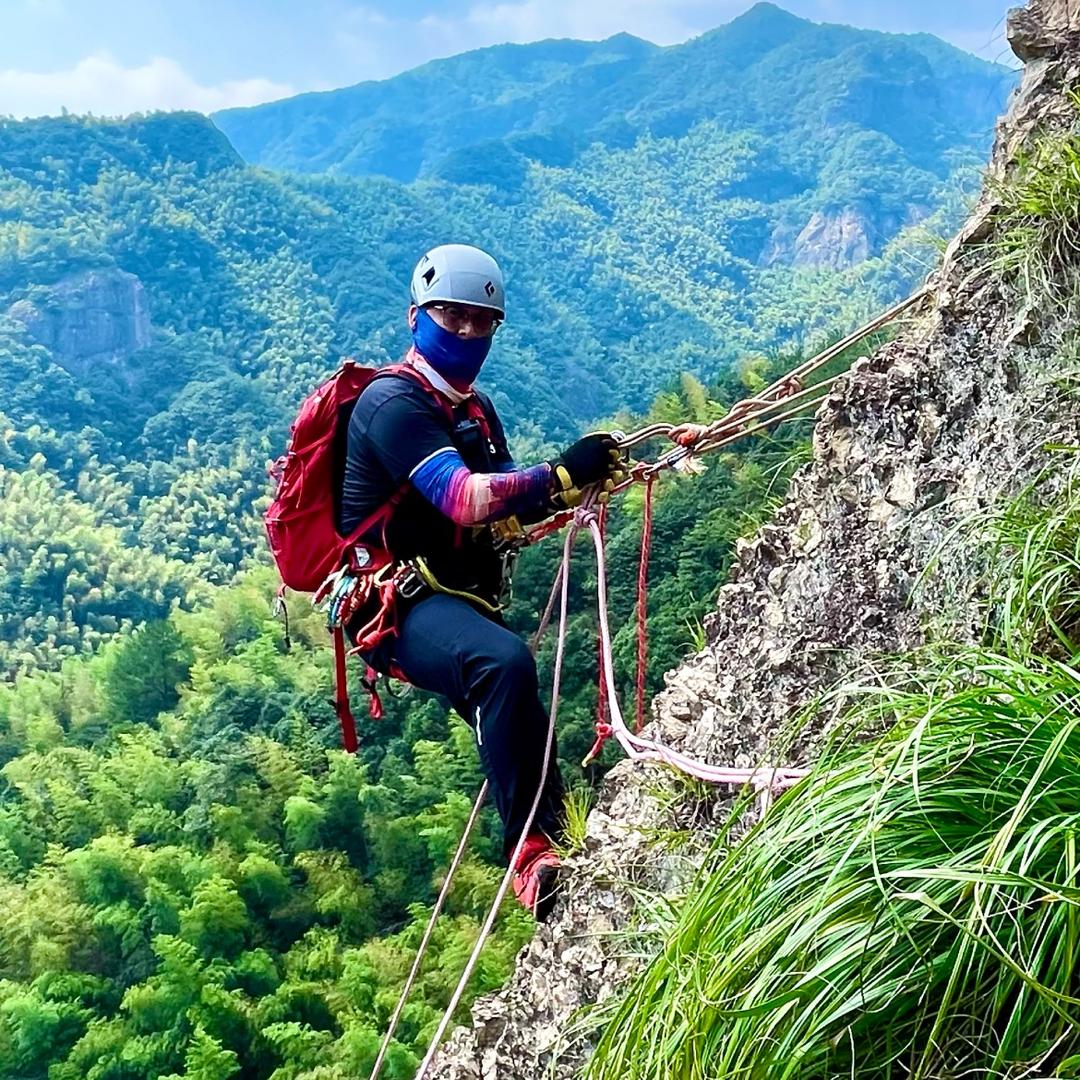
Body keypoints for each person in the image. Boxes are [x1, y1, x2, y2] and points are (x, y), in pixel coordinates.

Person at [337, 243, 624, 921]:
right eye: (451, 316)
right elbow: (463, 498)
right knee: (502, 664)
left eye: (480, 321)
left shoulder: (475, 410)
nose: (466, 332)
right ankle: (530, 856)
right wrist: (559, 473)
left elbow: (509, 499)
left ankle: (551, 844)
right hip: (392, 603)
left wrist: (577, 481)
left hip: (452, 592)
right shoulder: (390, 404)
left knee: (517, 699)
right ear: (416, 318)